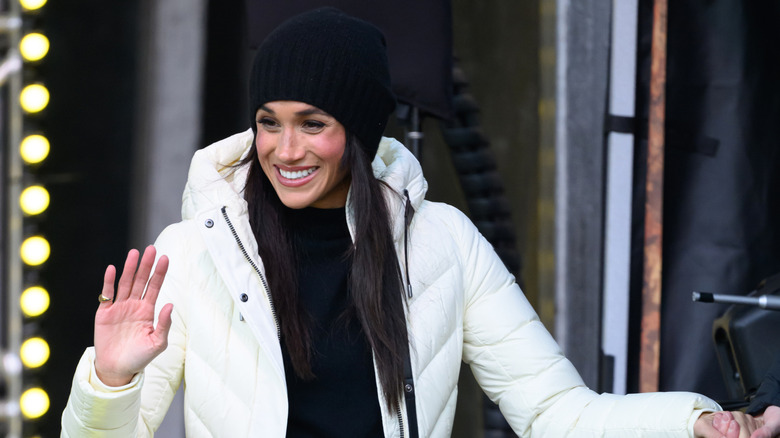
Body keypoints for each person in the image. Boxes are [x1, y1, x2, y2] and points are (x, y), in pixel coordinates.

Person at [61, 7, 760, 437]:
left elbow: (557, 415)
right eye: (268, 123)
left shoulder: (445, 243)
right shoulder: (191, 254)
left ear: (359, 132)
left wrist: (695, 422)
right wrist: (111, 381)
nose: (285, 149)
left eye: (314, 124)